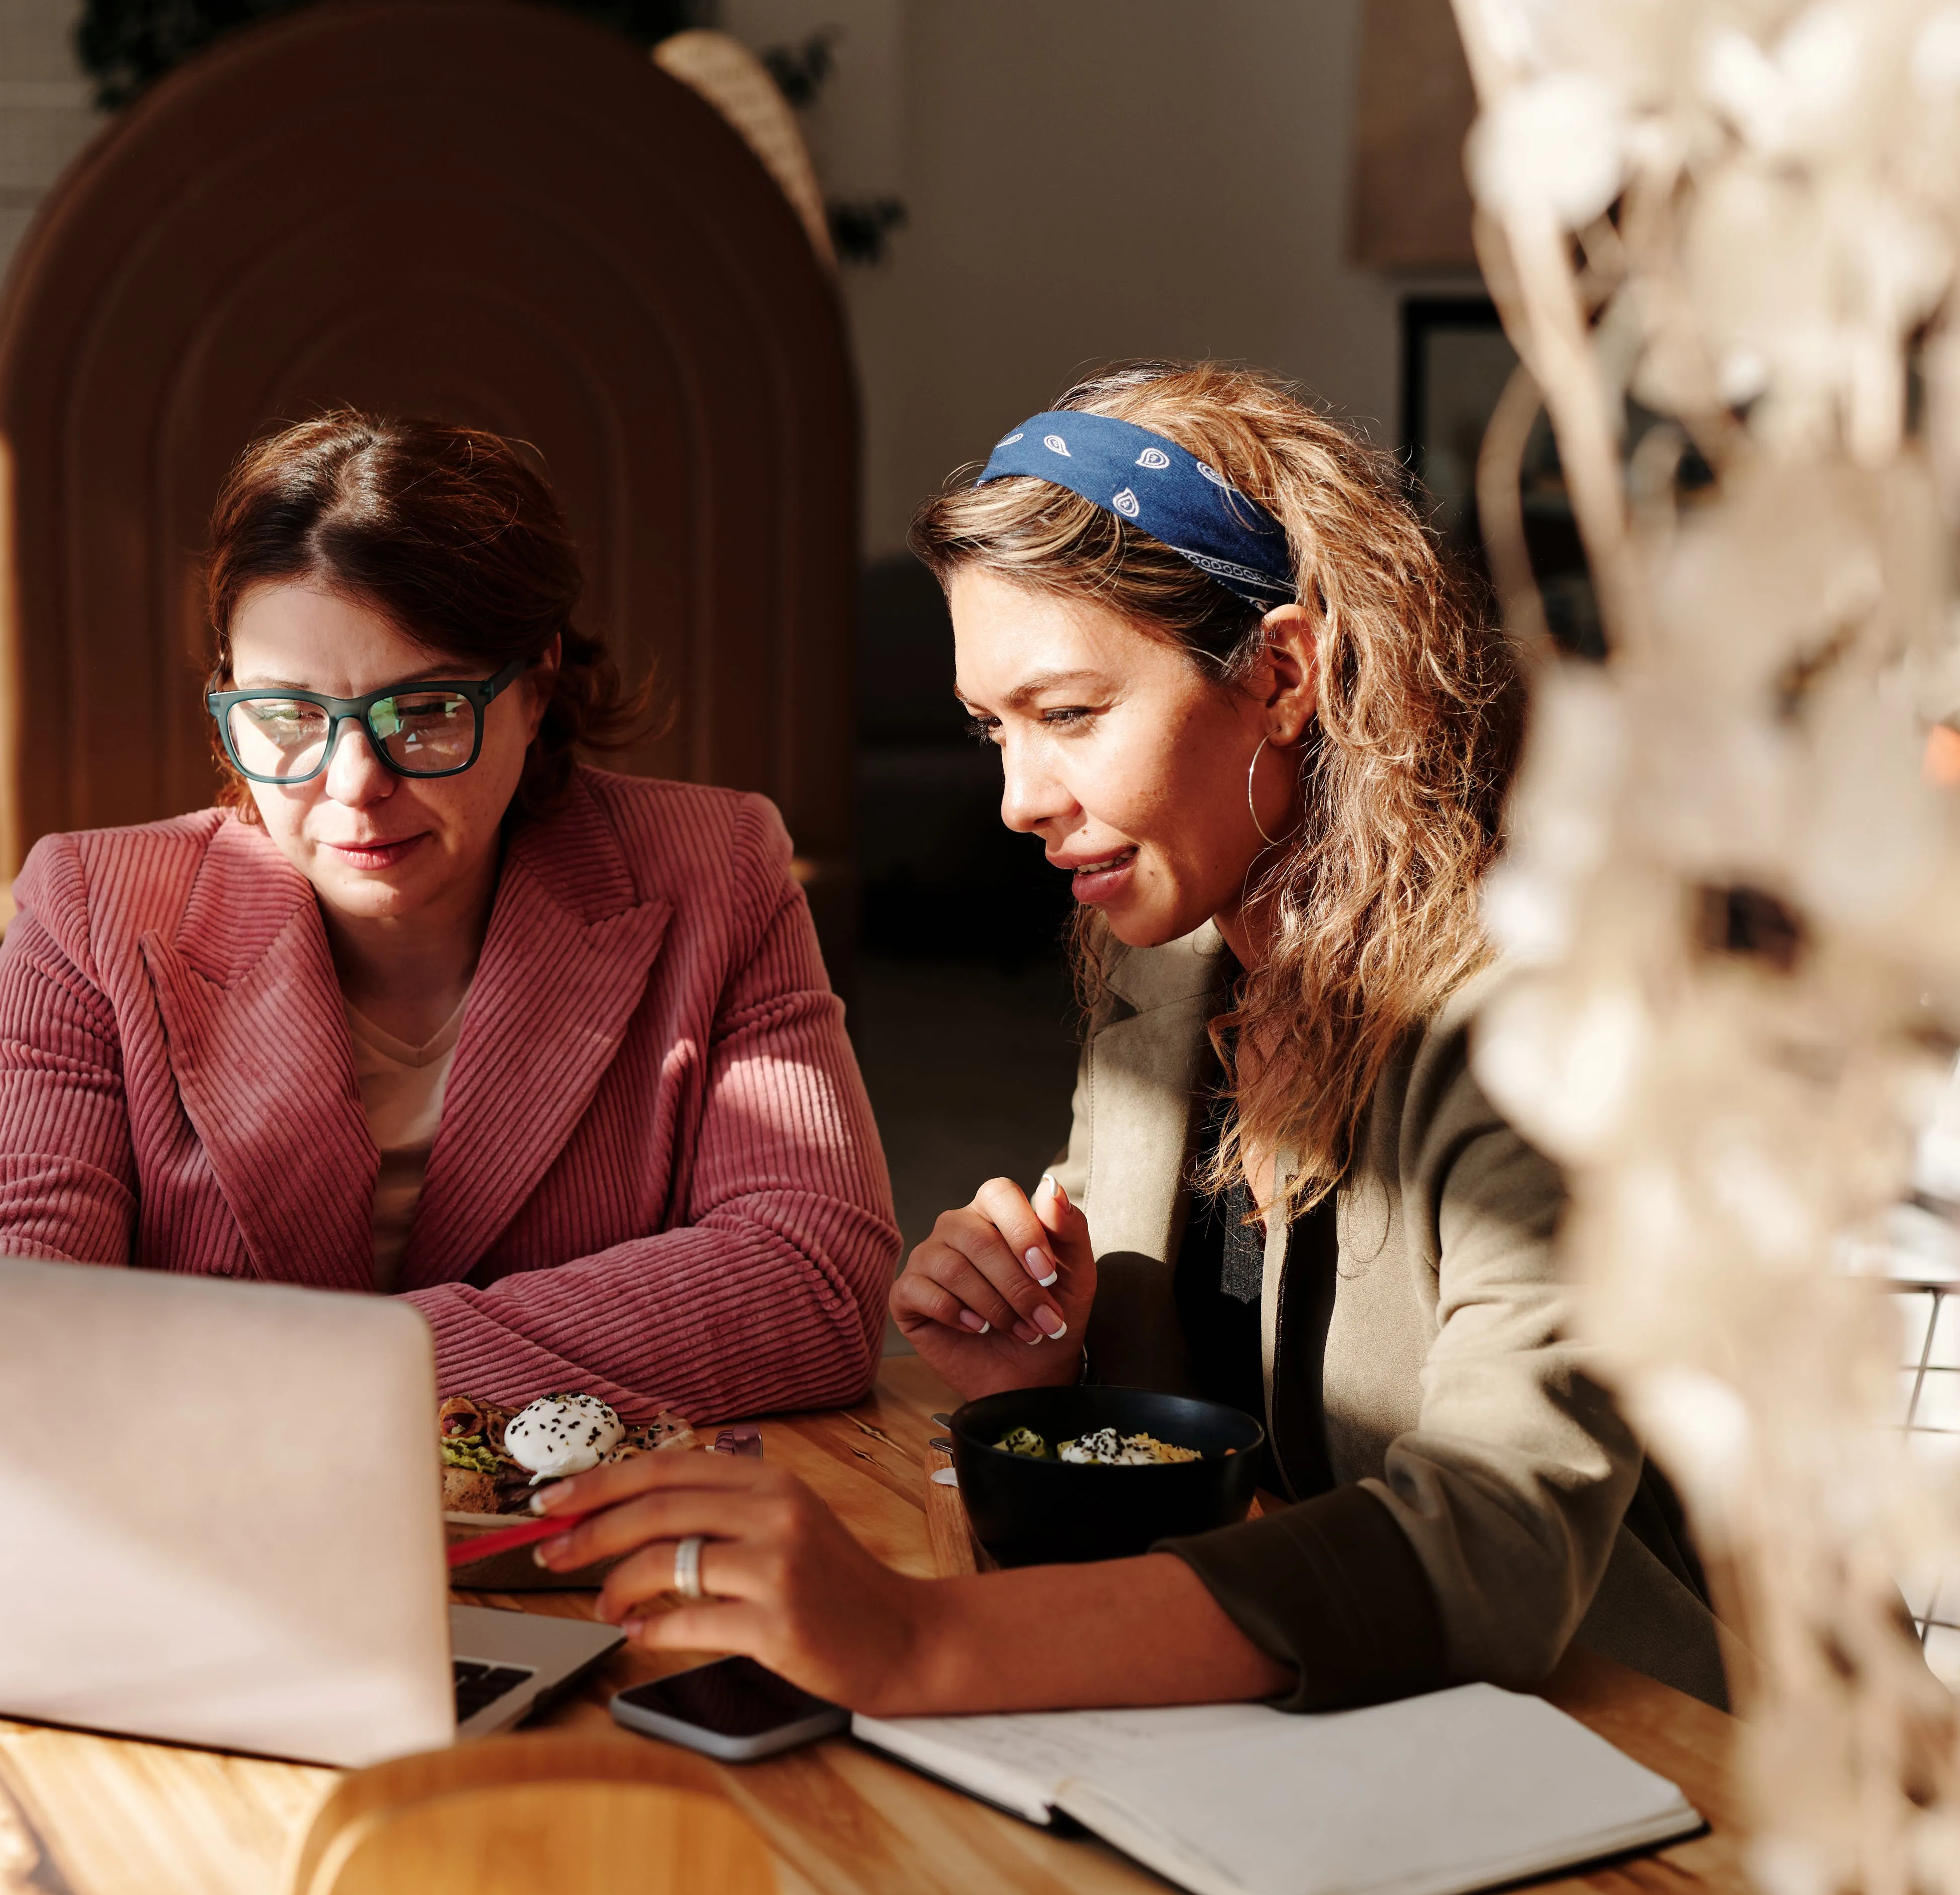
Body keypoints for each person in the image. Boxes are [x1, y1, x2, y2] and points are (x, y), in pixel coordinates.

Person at [532, 363, 1725, 1713]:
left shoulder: (1544, 1027)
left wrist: (923, 1646)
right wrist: (1052, 1366)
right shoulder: (1170, 985)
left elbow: (1499, 1546)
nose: (1016, 801)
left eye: (1071, 714)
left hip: (1629, 1761)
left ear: (1282, 676)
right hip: (1314, 1742)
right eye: (992, 729)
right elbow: (1220, 1455)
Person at [0, 413, 899, 1418]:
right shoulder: (94, 909)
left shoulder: (713, 873)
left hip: (602, 1548)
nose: (353, 782)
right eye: (289, 714)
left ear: (537, 688)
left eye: (427, 711)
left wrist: (333, 1365)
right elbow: (7, 1324)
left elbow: (813, 1284)